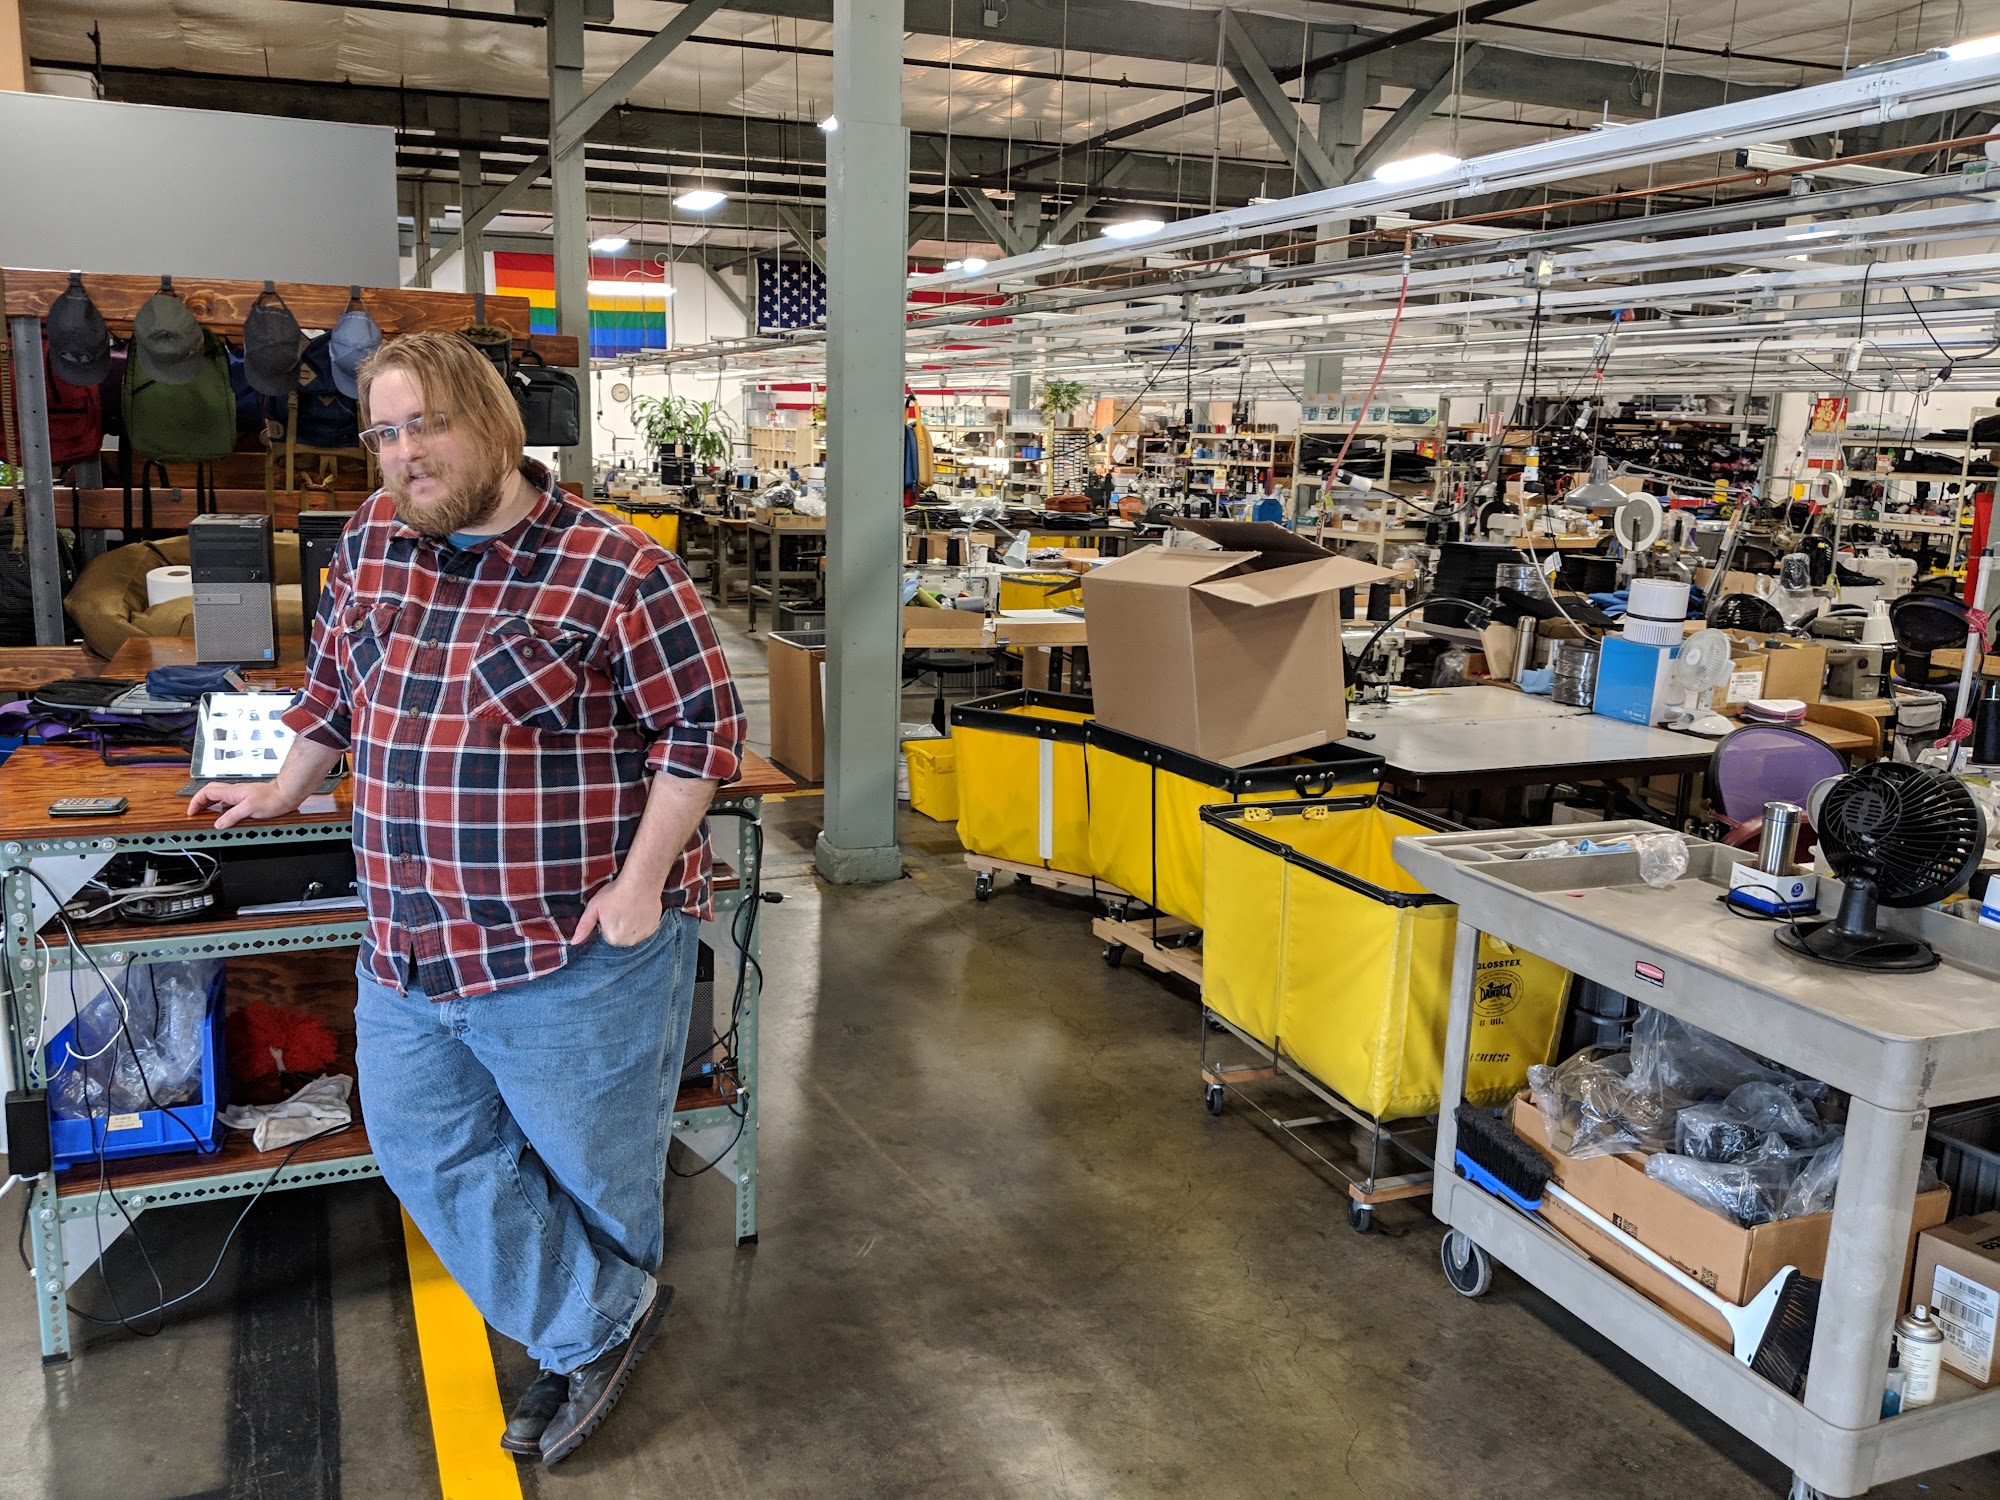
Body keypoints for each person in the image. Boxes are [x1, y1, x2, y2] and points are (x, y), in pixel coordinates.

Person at [191, 331, 745, 1466]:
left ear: (494, 424)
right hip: (407, 938)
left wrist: (641, 886)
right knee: (419, 1144)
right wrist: (284, 787)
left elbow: (702, 733)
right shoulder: (372, 539)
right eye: (384, 434)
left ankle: (577, 1348)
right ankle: (601, 1322)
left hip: (567, 947)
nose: (404, 455)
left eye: (426, 426)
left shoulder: (618, 569)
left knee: (593, 1175)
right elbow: (336, 686)